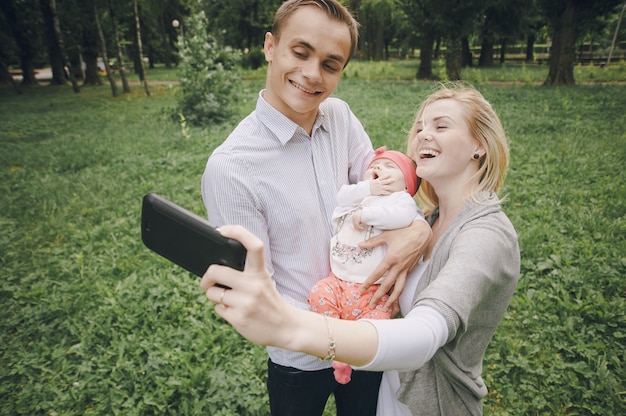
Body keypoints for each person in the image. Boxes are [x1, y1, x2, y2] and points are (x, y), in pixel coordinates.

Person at [201, 84, 521, 415]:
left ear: (479, 146)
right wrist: (419, 228)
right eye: (419, 126)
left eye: (440, 126)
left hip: (429, 406)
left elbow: (424, 335)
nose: (423, 135)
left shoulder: (486, 236)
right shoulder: (430, 219)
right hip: (385, 396)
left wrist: (288, 326)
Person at [201, 1, 431, 415]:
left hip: (368, 330)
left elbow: (386, 189)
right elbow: (258, 292)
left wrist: (418, 228)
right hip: (299, 355)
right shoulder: (232, 167)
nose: (312, 74)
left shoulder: (339, 117)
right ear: (270, 46)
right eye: (300, 52)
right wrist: (327, 332)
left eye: (330, 64)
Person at [307, 146, 422, 384]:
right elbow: (342, 197)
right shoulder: (358, 196)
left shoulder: (400, 200)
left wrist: (367, 215)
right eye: (375, 166)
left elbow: (402, 216)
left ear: (407, 185)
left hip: (373, 291)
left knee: (378, 325)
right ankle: (335, 346)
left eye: (390, 166)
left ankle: (347, 356)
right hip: (337, 281)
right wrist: (369, 188)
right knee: (319, 294)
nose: (379, 168)